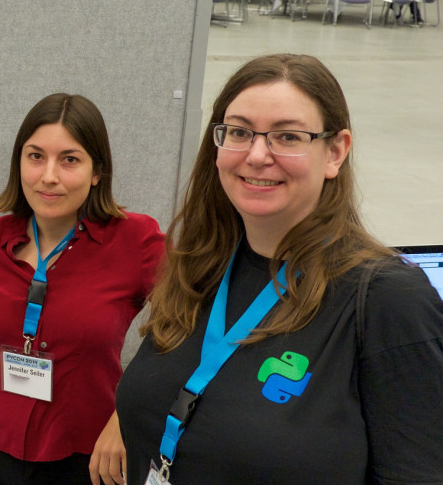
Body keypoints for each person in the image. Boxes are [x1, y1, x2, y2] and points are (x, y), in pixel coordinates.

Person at [115, 54, 443, 485]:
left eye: (287, 136)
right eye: (239, 132)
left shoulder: (388, 299)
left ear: (335, 151)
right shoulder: (199, 265)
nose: (256, 155)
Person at [0, 93, 165, 485]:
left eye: (69, 159)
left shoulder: (136, 241)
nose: (49, 175)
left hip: (84, 457)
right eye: (35, 156)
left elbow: (189, 330)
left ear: (97, 171)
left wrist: (125, 417)